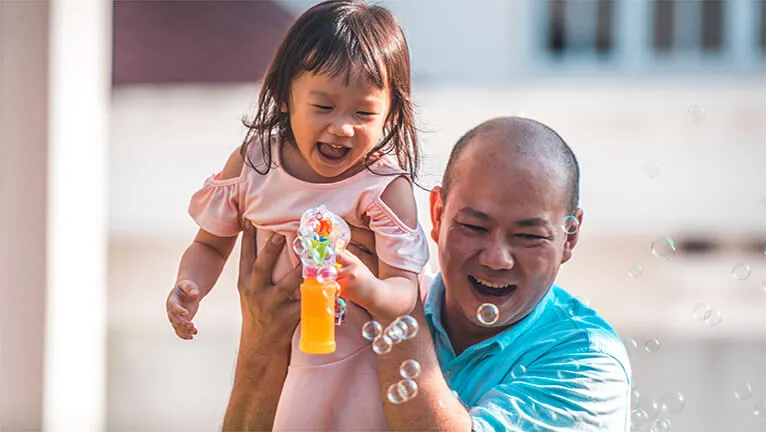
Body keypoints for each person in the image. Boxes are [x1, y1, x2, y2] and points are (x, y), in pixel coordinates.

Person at [224, 116, 632, 431]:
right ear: (436, 214)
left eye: (529, 236)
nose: (496, 258)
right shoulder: (362, 308)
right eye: (474, 227)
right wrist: (261, 345)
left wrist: (392, 307)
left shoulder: (587, 362)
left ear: (569, 238)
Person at [165, 1, 429, 430]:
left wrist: (368, 288)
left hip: (353, 365)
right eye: (323, 107)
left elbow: (405, 291)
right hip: (275, 359)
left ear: (391, 115)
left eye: (363, 113)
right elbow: (209, 245)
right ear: (284, 97)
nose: (342, 127)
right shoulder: (255, 164)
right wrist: (189, 285)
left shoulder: (383, 186)